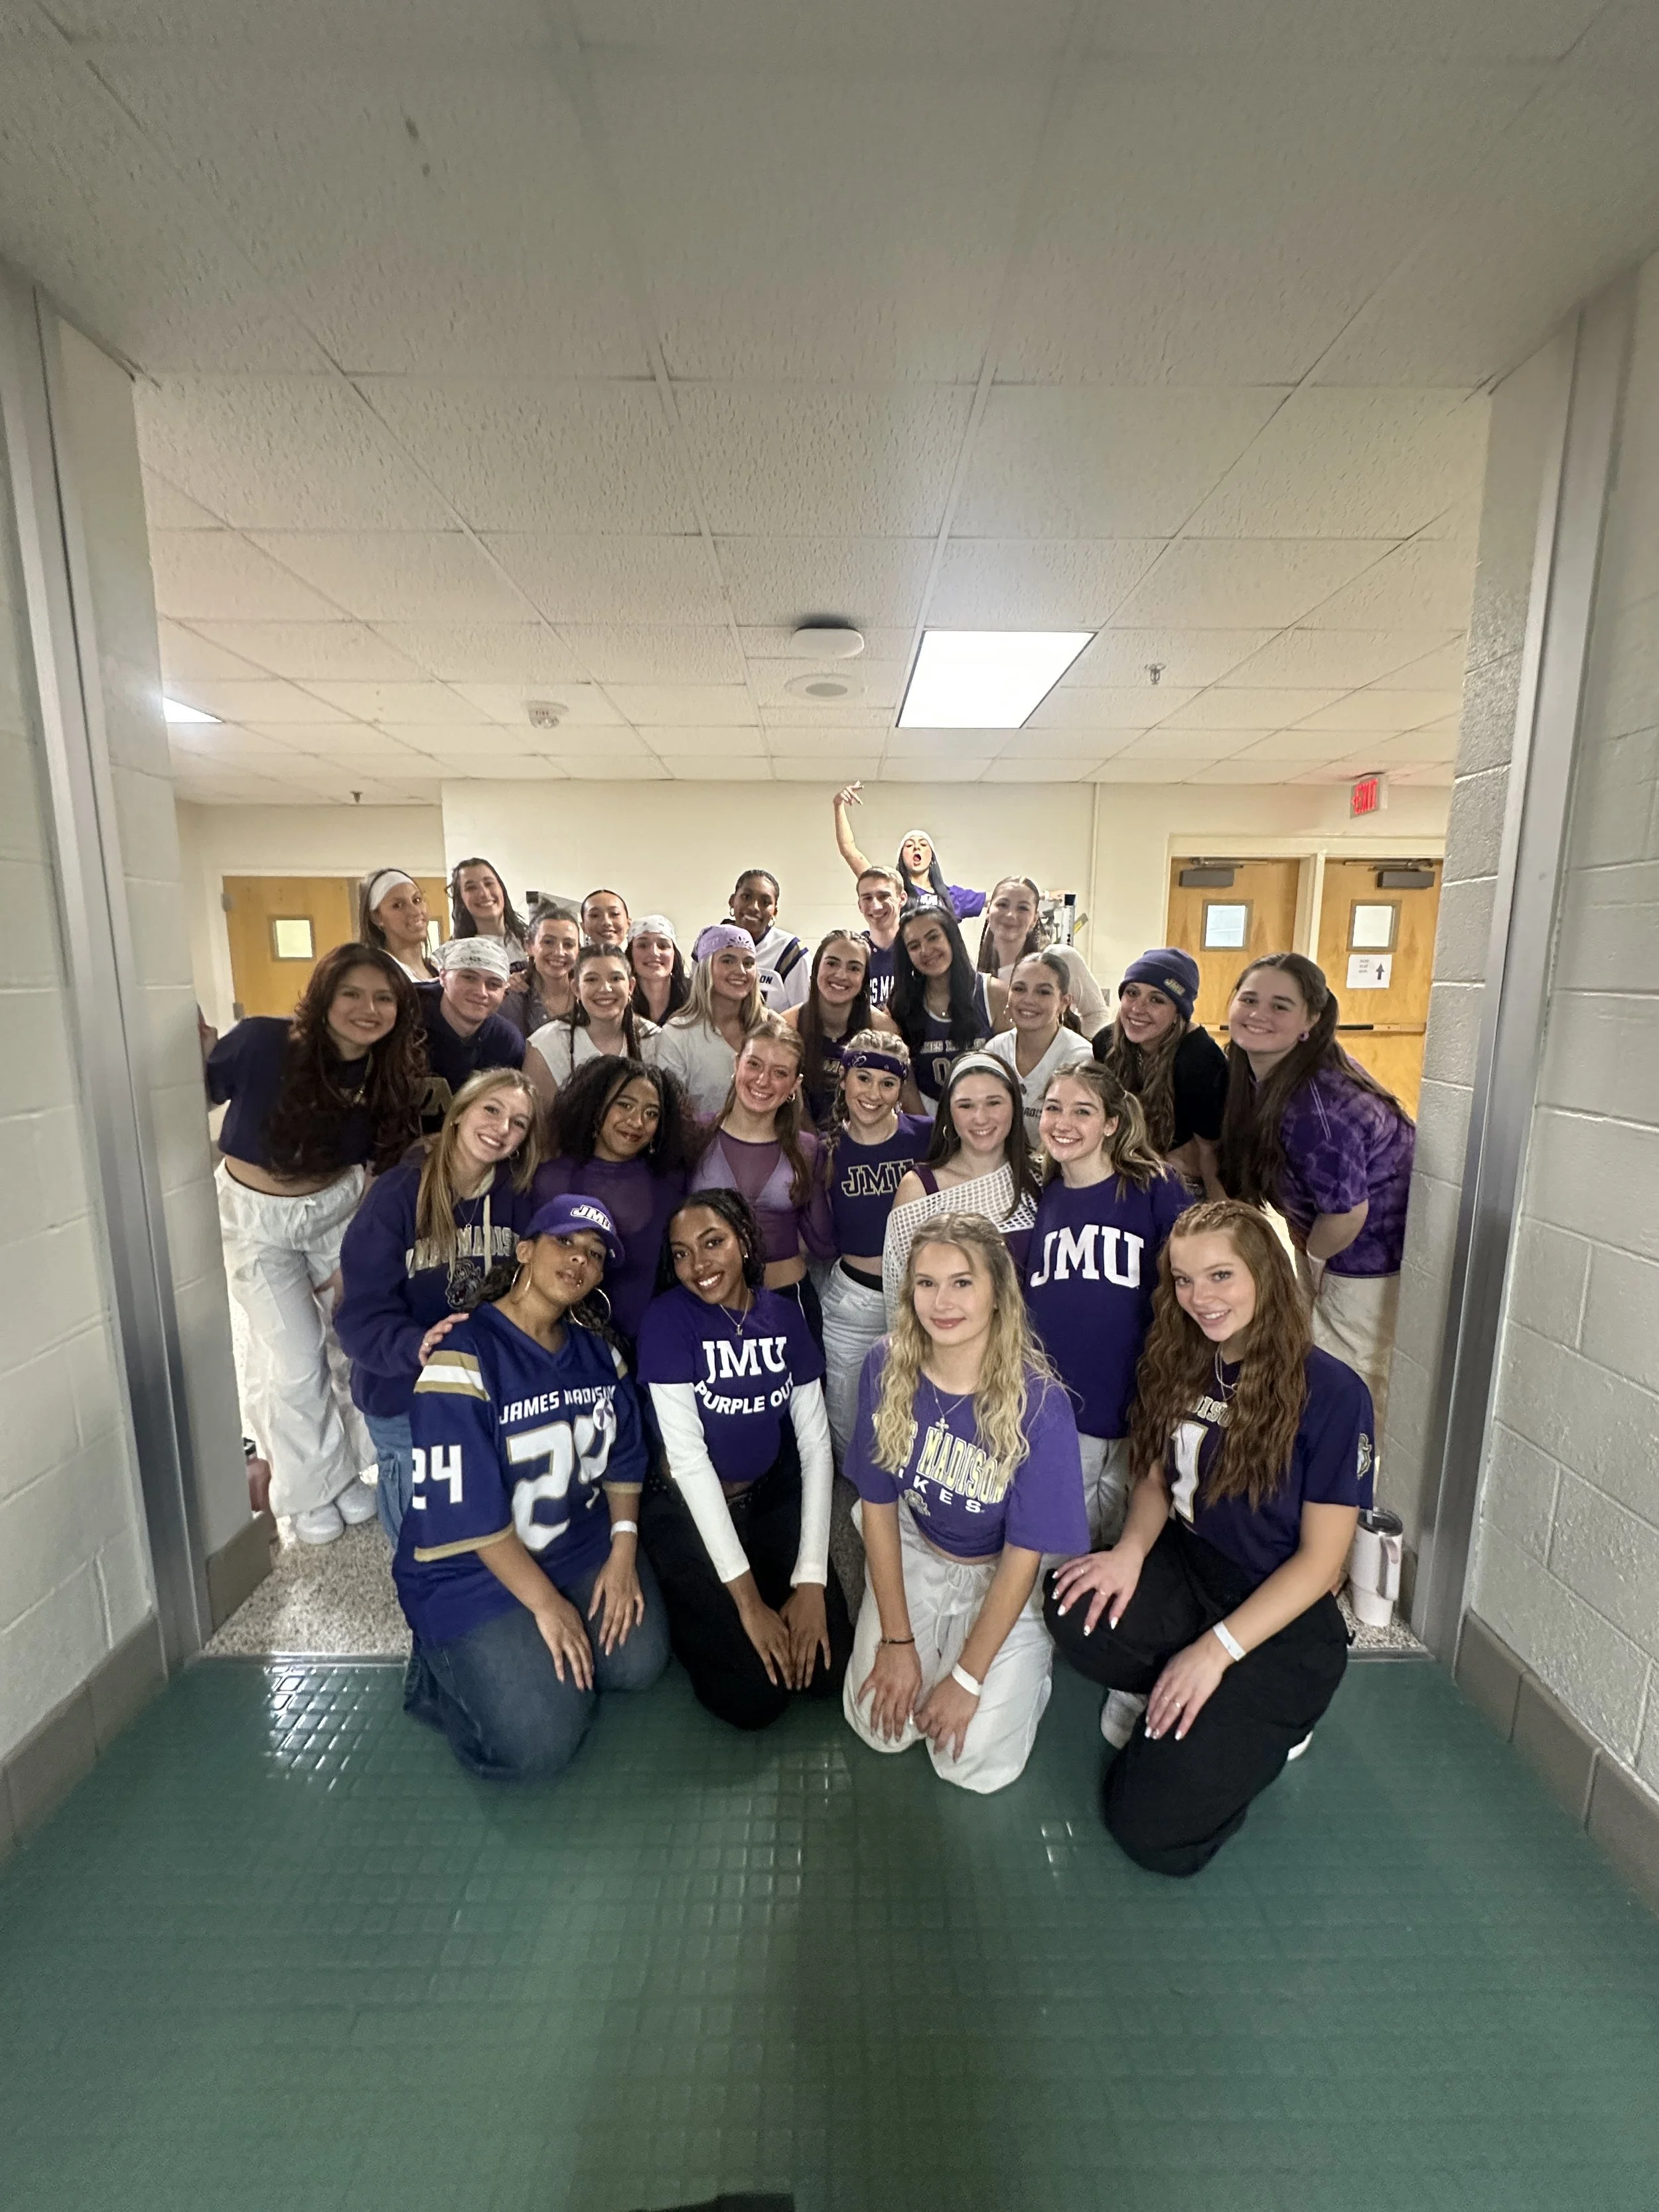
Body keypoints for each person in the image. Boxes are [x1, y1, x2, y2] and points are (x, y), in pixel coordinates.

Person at [1045, 1201, 1372, 1876]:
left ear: (1265, 1273)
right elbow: (1154, 1480)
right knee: (1075, 1606)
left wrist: (1213, 1653)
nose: (1200, 1298)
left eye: (1220, 1276)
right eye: (1184, 1280)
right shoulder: (1180, 1358)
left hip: (1279, 1616)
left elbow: (1320, 1563)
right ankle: (1174, 1693)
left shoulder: (1334, 1394)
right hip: (1193, 1568)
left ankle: (1263, 1725)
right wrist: (1129, 1553)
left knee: (1151, 1833)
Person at [394, 1195, 670, 1781]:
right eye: (565, 1242)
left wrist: (623, 1551)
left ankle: (532, 1652)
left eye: (594, 1254)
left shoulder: (599, 1354)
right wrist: (547, 1606)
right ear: (524, 1250)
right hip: (472, 1568)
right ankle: (438, 1666)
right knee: (543, 1743)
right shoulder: (463, 1357)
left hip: (576, 1543)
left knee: (639, 1663)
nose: (579, 1260)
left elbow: (624, 1458)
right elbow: (465, 1515)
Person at [843, 1213, 1087, 1794]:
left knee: (970, 1763)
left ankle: (1026, 1666)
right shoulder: (886, 1363)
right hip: (918, 1542)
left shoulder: (1041, 1403)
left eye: (962, 1282)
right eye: (926, 1283)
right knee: (882, 1727)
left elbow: (1025, 1555)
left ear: (999, 1294)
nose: (941, 1301)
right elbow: (877, 1504)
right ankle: (928, 1643)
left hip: (1001, 1570)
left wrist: (969, 1679)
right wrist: (897, 1643)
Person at [206, 944, 426, 1543]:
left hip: (339, 1208)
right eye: (352, 993)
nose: (368, 1008)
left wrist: (359, 1251)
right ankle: (306, 1494)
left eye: (383, 997)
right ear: (324, 994)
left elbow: (381, 1163)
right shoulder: (260, 1041)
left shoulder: (390, 1072)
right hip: (256, 1219)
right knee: (294, 1358)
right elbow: (195, 1087)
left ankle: (350, 1471)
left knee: (352, 1339)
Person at [636, 1189, 850, 1730]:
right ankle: (693, 1598)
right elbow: (688, 1463)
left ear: (745, 1241)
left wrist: (810, 1582)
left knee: (829, 1669)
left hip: (770, 1492)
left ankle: (767, 1587)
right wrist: (750, 1605)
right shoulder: (667, 1320)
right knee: (754, 1698)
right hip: (687, 1506)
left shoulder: (783, 1315)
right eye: (682, 1252)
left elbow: (814, 1447)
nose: (698, 1265)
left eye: (713, 1242)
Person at [336, 1069, 541, 1542]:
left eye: (518, 1122)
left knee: (482, 1512)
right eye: (491, 1109)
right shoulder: (397, 1195)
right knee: (424, 1527)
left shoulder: (517, 1196)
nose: (502, 1127)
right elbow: (359, 1317)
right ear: (459, 1113)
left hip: (483, 1384)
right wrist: (416, 1343)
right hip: (402, 1390)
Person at [1220, 952, 1414, 1431]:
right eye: (1249, 998)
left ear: (1310, 1021)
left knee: (1348, 1374)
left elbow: (1347, 1214)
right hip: (1331, 1242)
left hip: (1363, 1258)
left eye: (1281, 1005)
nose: (1259, 1013)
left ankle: (1355, 1483)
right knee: (1315, 1351)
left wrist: (1315, 1263)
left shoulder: (1316, 1104)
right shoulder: (1262, 1073)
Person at [1025, 1064, 1189, 1544]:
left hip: (1133, 1405)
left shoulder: (1152, 1186)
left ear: (1111, 1123)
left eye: (1083, 1111)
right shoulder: (1044, 1194)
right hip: (1058, 1415)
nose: (1064, 1122)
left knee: (1121, 1540)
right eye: (1053, 1108)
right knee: (1061, 1547)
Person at [818, 1032, 930, 1463]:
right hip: (854, 1300)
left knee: (915, 1418)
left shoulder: (925, 1138)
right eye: (863, 1078)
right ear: (844, 1079)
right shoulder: (825, 1148)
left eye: (887, 1082)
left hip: (918, 1301)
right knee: (848, 1428)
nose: (873, 1093)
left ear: (901, 1088)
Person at [532, 1055, 694, 1342]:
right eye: (625, 1105)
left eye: (651, 1113)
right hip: (570, 1350)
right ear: (596, 1107)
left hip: (652, 1348)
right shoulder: (550, 1180)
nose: (637, 1122)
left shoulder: (672, 1185)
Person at [688, 1017, 834, 1325]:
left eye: (780, 1073)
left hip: (787, 1301)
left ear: (795, 1084)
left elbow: (824, 1243)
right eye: (754, 1065)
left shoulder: (808, 1150)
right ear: (737, 1064)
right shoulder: (695, 1136)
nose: (763, 1080)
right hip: (706, 1301)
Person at [883, 1053, 1041, 1317]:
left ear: (1014, 1106)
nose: (980, 1117)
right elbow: (901, 1297)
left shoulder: (1039, 1178)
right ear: (949, 1114)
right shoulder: (920, 1188)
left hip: (1029, 1348)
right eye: (966, 1106)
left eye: (994, 1103)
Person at [1093, 949, 1228, 1196]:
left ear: (1179, 1012)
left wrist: (1221, 1218)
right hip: (1128, 1169)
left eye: (1157, 1000)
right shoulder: (1107, 1044)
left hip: (1184, 1184)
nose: (1138, 1008)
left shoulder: (1199, 1061)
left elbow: (1210, 1154)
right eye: (1132, 993)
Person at [887, 899, 1007, 1117]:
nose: (926, 950)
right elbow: (906, 1082)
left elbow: (1011, 1071)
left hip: (988, 1116)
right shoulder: (901, 1004)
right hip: (928, 1114)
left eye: (933, 937)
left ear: (952, 938)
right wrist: (927, 1132)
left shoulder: (993, 993)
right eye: (914, 946)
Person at [782, 928, 900, 1128]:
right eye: (832, 963)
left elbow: (897, 1100)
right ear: (816, 967)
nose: (841, 975)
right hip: (799, 1141)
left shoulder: (883, 1030)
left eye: (854, 968)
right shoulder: (788, 1026)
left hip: (863, 1139)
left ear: (864, 978)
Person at [650, 924, 764, 1119]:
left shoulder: (771, 1028)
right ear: (705, 968)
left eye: (749, 963)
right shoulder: (678, 1034)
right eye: (728, 960)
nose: (741, 971)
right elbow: (672, 1113)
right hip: (699, 1145)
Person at [986, 949, 1094, 1149]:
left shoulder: (1080, 1057)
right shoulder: (994, 1050)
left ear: (1064, 1003)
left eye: (1043, 992)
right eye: (1019, 989)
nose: (1029, 999)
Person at [523, 944, 658, 1102]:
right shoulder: (547, 1044)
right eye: (592, 979)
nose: (605, 989)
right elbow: (540, 1121)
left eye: (615, 979)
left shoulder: (654, 1039)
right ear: (576, 989)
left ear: (631, 987)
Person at [975, 874, 1108, 1033]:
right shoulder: (981, 978)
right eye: (1003, 905)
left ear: (1034, 918)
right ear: (989, 911)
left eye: (1023, 908)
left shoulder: (1061, 958)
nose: (1011, 915)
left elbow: (1097, 1014)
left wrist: (1076, 1051)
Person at [416, 938, 526, 1130]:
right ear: (442, 976)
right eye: (469, 977)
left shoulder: (507, 1042)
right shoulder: (405, 1019)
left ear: (504, 992)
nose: (481, 992)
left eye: (493, 984)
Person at [831, 783, 985, 919]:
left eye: (923, 845)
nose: (917, 847)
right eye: (909, 845)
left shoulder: (952, 896)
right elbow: (849, 850)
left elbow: (998, 898)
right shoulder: (891, 887)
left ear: (932, 858)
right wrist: (838, 805)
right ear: (901, 857)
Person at [725, 867, 810, 1011]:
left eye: (765, 902)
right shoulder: (709, 943)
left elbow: (803, 1013)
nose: (754, 907)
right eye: (746, 897)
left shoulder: (791, 951)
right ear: (732, 901)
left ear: (775, 911)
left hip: (773, 1033)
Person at [503, 903, 581, 1039]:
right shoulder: (512, 1002)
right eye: (548, 942)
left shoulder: (588, 996)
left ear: (578, 951)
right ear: (529, 946)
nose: (559, 952)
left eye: (568, 945)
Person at [447, 855, 530, 968]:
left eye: (489, 883)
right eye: (471, 888)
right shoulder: (458, 956)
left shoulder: (532, 939)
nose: (484, 894)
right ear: (461, 900)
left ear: (501, 888)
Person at [358, 867, 433, 982]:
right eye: (397, 905)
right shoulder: (380, 976)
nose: (415, 911)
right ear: (377, 917)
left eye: (417, 900)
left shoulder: (439, 969)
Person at [854, 864, 904, 1010]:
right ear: (860, 906)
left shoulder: (917, 948)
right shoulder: (854, 952)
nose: (876, 906)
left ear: (902, 899)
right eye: (867, 898)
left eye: (884, 896)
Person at [628, 913, 690, 1026]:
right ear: (630, 954)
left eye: (663, 946)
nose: (654, 953)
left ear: (674, 955)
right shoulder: (620, 1000)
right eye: (643, 945)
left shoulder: (695, 997)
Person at [579, 887, 630, 951]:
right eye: (595, 915)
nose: (606, 922)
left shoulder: (643, 958)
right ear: (583, 927)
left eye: (615, 914)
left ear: (628, 923)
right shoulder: (575, 960)